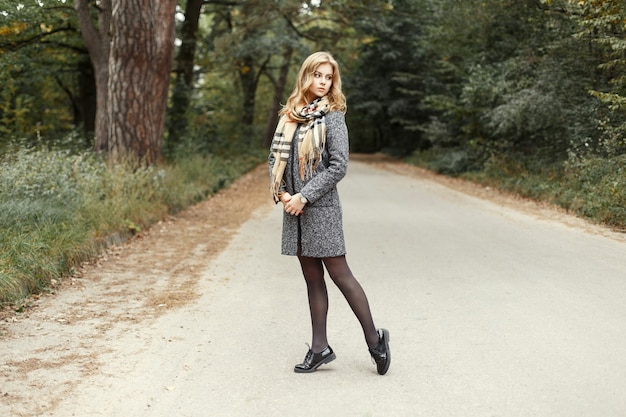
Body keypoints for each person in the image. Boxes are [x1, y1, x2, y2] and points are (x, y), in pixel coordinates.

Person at [268, 51, 390, 375]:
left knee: (340, 275)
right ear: (305, 77)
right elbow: (273, 159)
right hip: (294, 211)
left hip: (320, 209)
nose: (322, 82)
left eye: (328, 77)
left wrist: (303, 197)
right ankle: (320, 348)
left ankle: (375, 340)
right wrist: (282, 194)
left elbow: (339, 166)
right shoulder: (290, 116)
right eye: (317, 75)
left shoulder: (332, 115)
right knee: (312, 280)